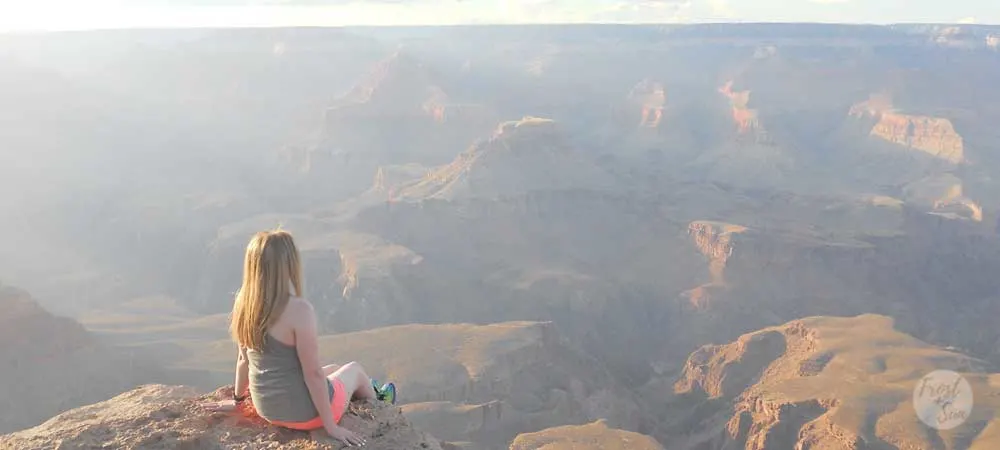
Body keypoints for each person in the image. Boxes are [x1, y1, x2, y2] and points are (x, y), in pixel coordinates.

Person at [202, 230, 396, 447]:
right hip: (304, 415)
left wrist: (238, 402)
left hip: (267, 409)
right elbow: (311, 374)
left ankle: (370, 391)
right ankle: (380, 403)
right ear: (288, 265)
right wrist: (330, 426)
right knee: (355, 369)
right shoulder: (298, 310)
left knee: (331, 368)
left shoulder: (244, 304)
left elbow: (243, 361)